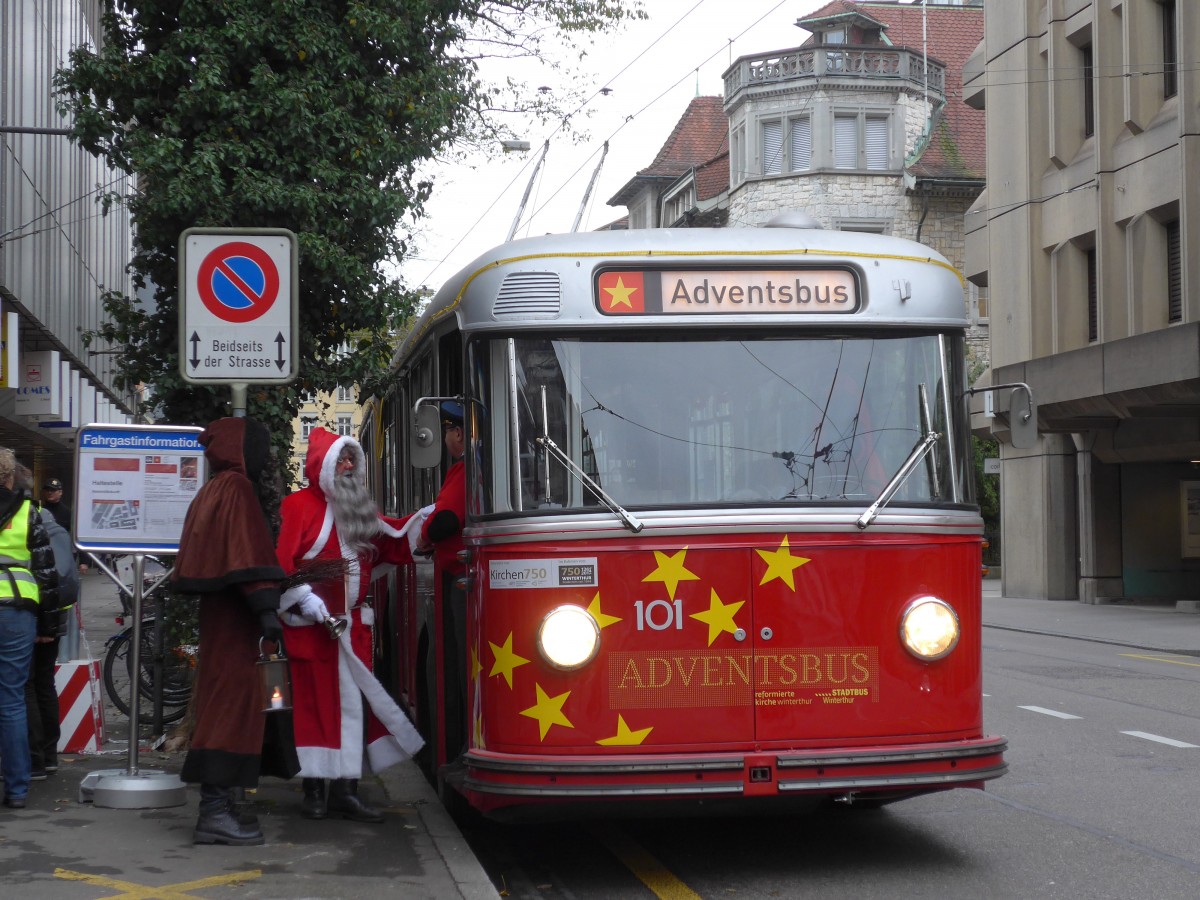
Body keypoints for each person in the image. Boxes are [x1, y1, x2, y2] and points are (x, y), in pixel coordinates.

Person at [276, 426, 423, 824]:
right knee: (313, 707)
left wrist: (428, 522)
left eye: (351, 461)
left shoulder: (360, 509)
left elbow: (391, 539)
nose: (346, 466)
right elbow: (282, 568)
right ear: (322, 466)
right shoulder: (297, 506)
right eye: (340, 460)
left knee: (354, 709)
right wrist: (304, 600)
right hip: (312, 631)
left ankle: (346, 789)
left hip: (353, 629)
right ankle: (313, 790)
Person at [171, 418, 297, 846]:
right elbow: (246, 553)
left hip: (220, 619)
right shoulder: (238, 489)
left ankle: (222, 806)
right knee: (232, 710)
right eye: (259, 448)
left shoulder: (212, 489)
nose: (263, 458)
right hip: (237, 623)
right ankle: (215, 812)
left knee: (222, 704)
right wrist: (267, 610)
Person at [0, 448, 59, 810]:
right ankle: (17, 789)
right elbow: (47, 573)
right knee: (11, 699)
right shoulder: (28, 512)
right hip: (18, 612)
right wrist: (49, 626)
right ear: (9, 477)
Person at [17, 464, 80, 780]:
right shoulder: (56, 525)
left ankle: (36, 759)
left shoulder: (24, 524)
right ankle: (50, 756)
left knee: (25, 685)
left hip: (34, 617)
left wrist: (41, 624)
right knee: (43, 683)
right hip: (56, 617)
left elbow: (40, 575)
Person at [415, 400, 469, 760]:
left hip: (461, 579)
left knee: (455, 667)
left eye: (449, 430)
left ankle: (452, 746)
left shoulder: (466, 469)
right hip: (460, 573)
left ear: (458, 433)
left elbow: (447, 519)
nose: (448, 438)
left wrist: (424, 536)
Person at [40, 478, 87, 574]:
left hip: (64, 557)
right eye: (47, 490)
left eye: (53, 490)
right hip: (43, 557)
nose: (50, 492)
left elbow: (78, 537)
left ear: (60, 492)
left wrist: (84, 561)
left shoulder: (68, 513)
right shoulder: (38, 512)